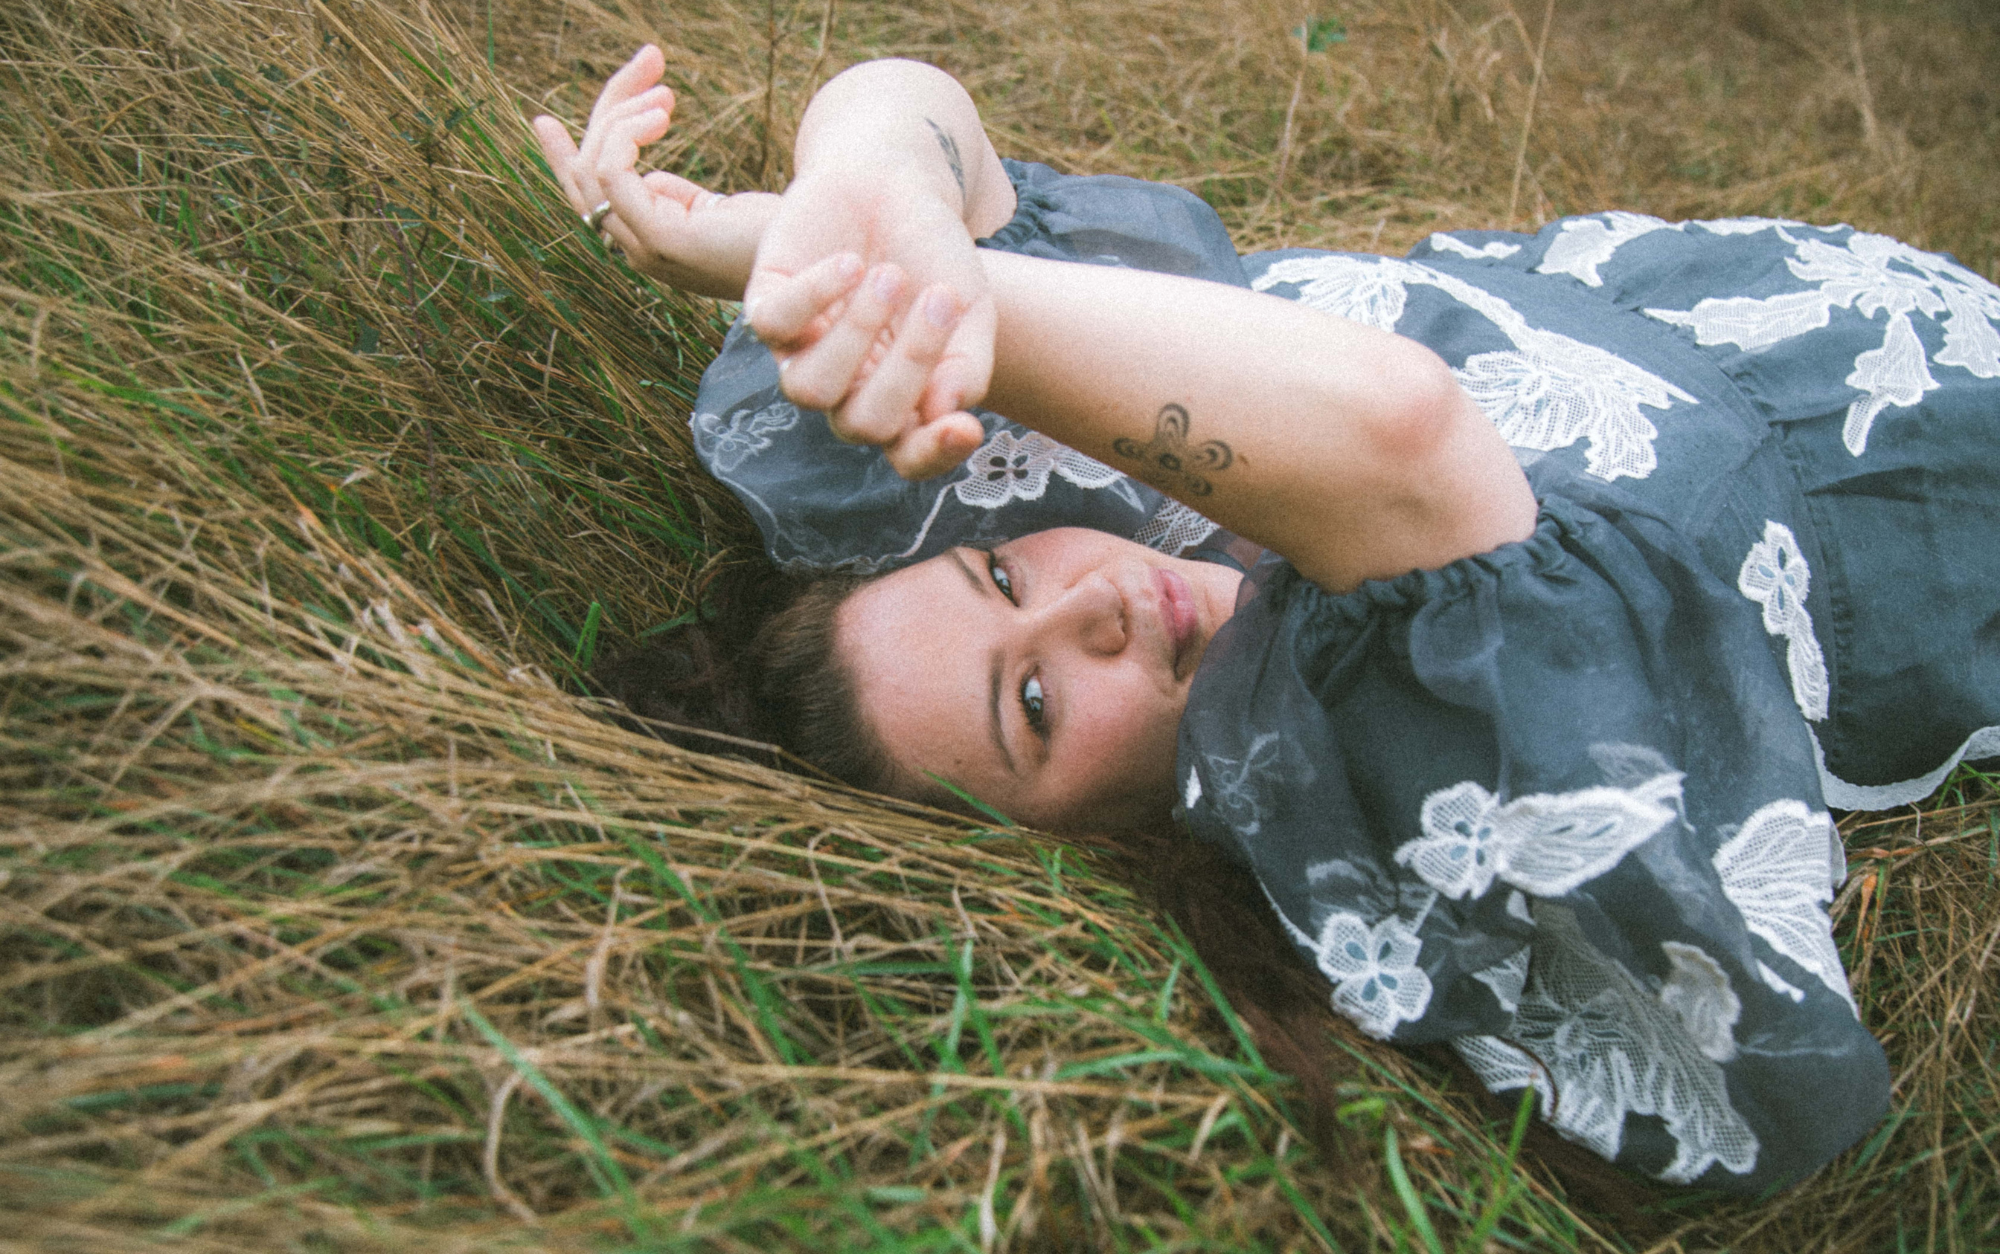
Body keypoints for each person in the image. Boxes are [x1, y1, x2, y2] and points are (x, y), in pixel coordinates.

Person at [535, 49, 2000, 1194]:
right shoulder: (1349, 751)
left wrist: (877, 200)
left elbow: (925, 113)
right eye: (1033, 708)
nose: (1091, 598)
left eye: (1000, 581)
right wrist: (949, 285)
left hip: (1751, 296)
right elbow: (1398, 429)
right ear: (1076, 856)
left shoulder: (1019, 492)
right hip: (1931, 480)